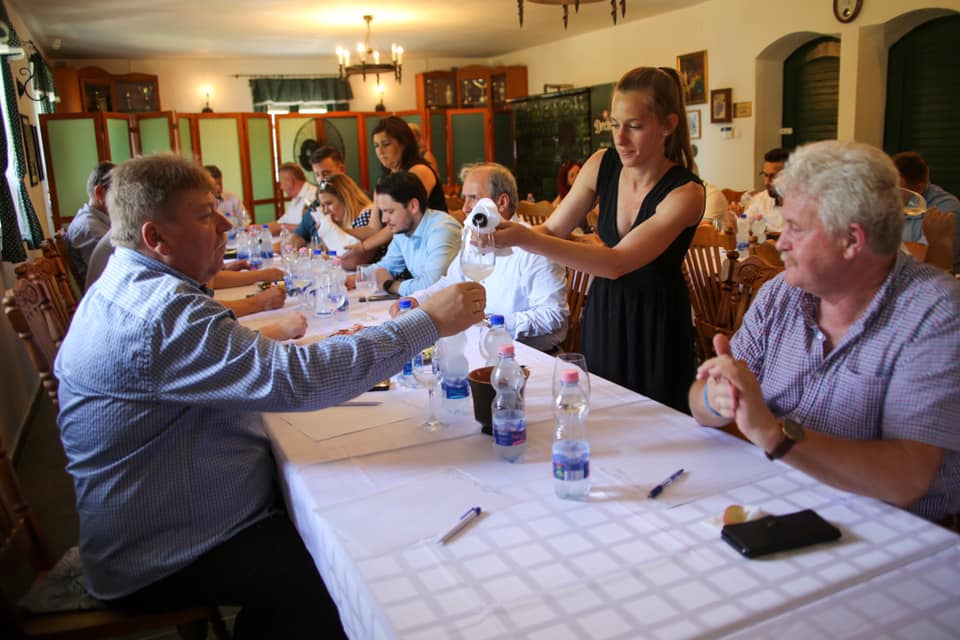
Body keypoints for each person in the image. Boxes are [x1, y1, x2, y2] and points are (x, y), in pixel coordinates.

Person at [54, 153, 486, 638]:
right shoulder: (161, 315)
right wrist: (428, 322)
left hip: (156, 516)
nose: (225, 225)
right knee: (337, 566)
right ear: (156, 238)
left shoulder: (131, 282)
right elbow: (300, 379)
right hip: (160, 551)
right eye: (205, 215)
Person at [690, 140, 960, 524]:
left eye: (795, 229)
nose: (780, 243)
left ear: (852, 240)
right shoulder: (781, 294)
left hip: (886, 529)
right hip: (777, 500)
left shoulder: (934, 311)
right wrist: (717, 398)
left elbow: (909, 477)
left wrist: (775, 435)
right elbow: (698, 400)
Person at [494, 66, 704, 412]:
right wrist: (500, 235)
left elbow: (617, 263)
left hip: (656, 321)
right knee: (603, 414)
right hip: (605, 310)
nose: (620, 138)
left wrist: (523, 239)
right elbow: (552, 230)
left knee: (656, 420)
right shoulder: (601, 164)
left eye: (635, 126)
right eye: (615, 125)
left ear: (668, 125)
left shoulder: (686, 193)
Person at [391, 162, 569, 352]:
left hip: (528, 356)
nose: (465, 208)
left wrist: (492, 323)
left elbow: (554, 316)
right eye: (464, 199)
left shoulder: (534, 246)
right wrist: (418, 300)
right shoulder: (476, 237)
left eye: (473, 198)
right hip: (478, 347)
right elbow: (450, 283)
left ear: (501, 203)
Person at [349, 117, 448, 257]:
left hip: (429, 248)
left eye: (386, 144)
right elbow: (373, 229)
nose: (380, 151)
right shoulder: (383, 181)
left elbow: (402, 219)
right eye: (376, 146)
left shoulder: (419, 171)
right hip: (401, 253)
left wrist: (363, 247)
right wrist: (335, 231)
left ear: (403, 144)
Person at [356, 170, 460, 297]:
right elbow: (387, 265)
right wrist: (359, 276)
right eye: (382, 212)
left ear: (413, 206)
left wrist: (390, 285)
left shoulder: (442, 230)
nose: (383, 219)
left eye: (390, 211)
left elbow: (432, 286)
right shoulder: (402, 231)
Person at [893, 151, 960, 270]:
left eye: (895, 188)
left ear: (918, 189)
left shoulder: (945, 208)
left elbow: (925, 260)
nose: (886, 194)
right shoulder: (889, 199)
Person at [66, 161, 114, 284]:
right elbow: (116, 271)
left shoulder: (97, 220)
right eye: (120, 193)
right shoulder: (90, 228)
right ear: (99, 193)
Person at [729, 147, 790, 232]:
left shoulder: (806, 205)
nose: (767, 182)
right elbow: (743, 222)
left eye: (773, 177)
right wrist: (736, 217)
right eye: (765, 175)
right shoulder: (761, 199)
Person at [274, 162, 316, 227]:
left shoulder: (313, 195)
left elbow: (312, 227)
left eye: (281, 183)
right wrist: (259, 227)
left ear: (290, 181)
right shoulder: (295, 198)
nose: (281, 187)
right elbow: (281, 222)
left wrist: (284, 227)